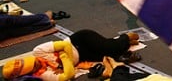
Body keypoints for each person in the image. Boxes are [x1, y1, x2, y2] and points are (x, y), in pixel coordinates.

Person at [2, 29, 141, 80]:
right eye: (33, 66)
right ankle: (125, 44)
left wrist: (63, 60)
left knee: (110, 48)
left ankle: (126, 37)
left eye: (32, 61)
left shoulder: (37, 51)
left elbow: (65, 45)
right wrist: (65, 62)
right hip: (83, 55)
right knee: (107, 58)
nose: (36, 62)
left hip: (80, 41)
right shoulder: (42, 75)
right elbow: (68, 75)